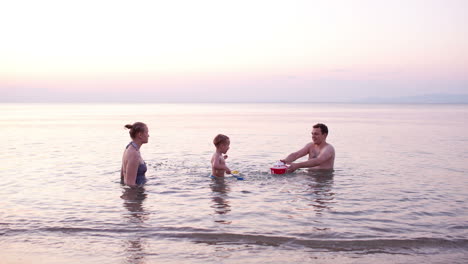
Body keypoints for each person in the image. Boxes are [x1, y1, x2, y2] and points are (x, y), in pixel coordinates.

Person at [121, 122, 149, 186]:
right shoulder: (134, 154)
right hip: (137, 194)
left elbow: (122, 176)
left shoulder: (129, 147)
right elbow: (130, 184)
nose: (148, 135)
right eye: (146, 132)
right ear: (140, 135)